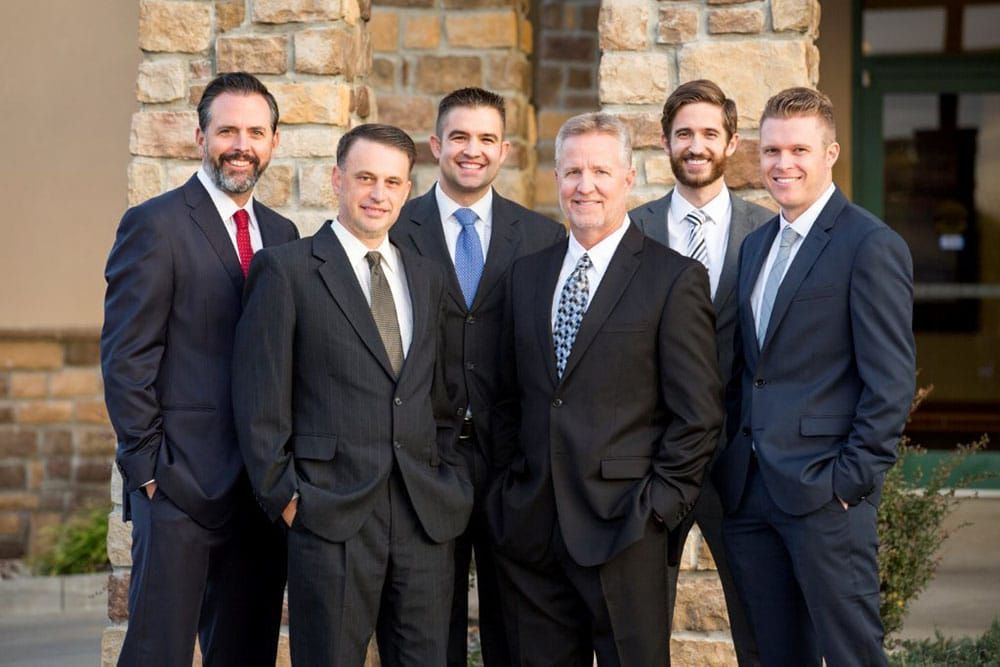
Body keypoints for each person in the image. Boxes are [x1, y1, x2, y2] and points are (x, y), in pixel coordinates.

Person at [232, 123, 473, 666]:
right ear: (337, 179)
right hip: (329, 517)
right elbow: (259, 402)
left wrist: (450, 481)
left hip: (423, 519)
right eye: (365, 178)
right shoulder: (287, 270)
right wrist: (289, 501)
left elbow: (444, 396)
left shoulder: (428, 278)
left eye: (392, 181)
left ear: (407, 190)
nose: (378, 194)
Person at [487, 112, 723, 665]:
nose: (584, 185)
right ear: (556, 179)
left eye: (599, 171)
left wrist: (659, 508)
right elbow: (506, 397)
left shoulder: (673, 278)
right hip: (532, 530)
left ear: (628, 179)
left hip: (626, 528)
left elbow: (699, 413)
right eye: (572, 172)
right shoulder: (526, 275)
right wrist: (507, 492)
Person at [101, 72, 297, 666]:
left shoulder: (283, 234)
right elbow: (126, 357)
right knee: (157, 653)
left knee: (245, 653)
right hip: (178, 487)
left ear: (274, 142)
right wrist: (148, 471)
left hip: (259, 492)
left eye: (255, 132)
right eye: (227, 131)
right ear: (200, 138)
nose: (242, 145)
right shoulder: (155, 224)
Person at [715, 87, 915, 666]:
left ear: (830, 154)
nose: (783, 164)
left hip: (827, 495)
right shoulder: (757, 245)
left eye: (799, 149)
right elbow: (750, 370)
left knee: (852, 655)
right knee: (775, 656)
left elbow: (891, 382)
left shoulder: (869, 245)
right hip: (752, 494)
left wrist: (850, 482)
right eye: (772, 150)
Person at [390, 86, 564, 667]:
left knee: (517, 633)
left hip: (511, 464)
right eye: (460, 137)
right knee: (424, 633)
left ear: (506, 150)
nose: (473, 150)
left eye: (487, 138)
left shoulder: (541, 237)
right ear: (435, 145)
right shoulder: (395, 228)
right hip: (424, 461)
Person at [629, 79, 770, 665]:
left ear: (731, 143)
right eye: (684, 133)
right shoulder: (631, 229)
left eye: (710, 133)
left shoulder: (767, 231)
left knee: (759, 624)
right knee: (640, 628)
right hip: (652, 459)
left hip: (741, 459)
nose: (696, 145)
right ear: (664, 141)